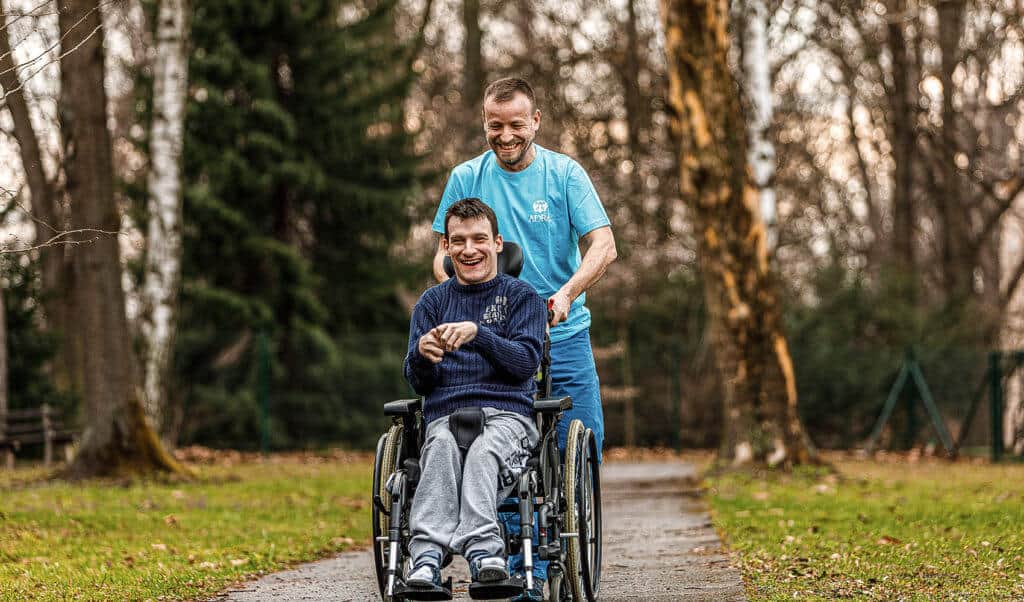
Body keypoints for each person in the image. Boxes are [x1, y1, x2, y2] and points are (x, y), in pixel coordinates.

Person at [432, 77, 616, 600]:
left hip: (563, 332)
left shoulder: (564, 174)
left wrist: (565, 294)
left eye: (517, 124)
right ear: (484, 124)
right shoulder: (467, 176)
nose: (506, 135)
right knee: (503, 443)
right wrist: (465, 306)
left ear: (535, 121)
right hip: (492, 336)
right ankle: (514, 567)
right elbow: (442, 257)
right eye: (496, 125)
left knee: (581, 443)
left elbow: (603, 245)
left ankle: (566, 546)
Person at [403, 198, 548, 592]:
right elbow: (418, 382)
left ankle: (486, 554)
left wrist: (478, 333)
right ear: (447, 248)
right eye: (459, 241)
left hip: (508, 417)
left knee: (484, 453)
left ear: (498, 243)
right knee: (441, 449)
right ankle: (426, 559)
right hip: (445, 415)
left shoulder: (523, 298)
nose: (469, 250)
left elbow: (523, 365)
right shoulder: (431, 304)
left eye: (479, 239)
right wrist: (422, 356)